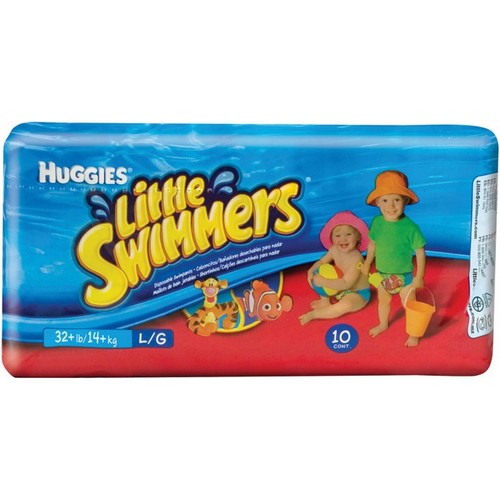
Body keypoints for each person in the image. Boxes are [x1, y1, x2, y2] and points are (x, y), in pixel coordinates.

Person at [360, 170, 426, 347]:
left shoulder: (411, 227)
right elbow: (372, 244)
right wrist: (367, 263)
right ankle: (383, 323)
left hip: (405, 278)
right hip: (382, 274)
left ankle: (413, 334)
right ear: (377, 202)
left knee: (410, 305)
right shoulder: (377, 222)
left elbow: (420, 252)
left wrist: (419, 276)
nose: (390, 206)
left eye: (396, 199)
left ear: (405, 200)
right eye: (384, 200)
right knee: (383, 301)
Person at [299, 211, 370, 325]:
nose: (343, 239)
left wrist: (324, 282)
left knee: (345, 305)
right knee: (321, 271)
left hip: (357, 293)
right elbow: (322, 261)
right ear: (331, 238)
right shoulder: (334, 250)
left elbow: (346, 283)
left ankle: (315, 314)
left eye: (348, 234)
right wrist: (311, 270)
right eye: (337, 235)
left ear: (358, 237)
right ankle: (325, 301)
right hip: (338, 288)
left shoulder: (357, 259)